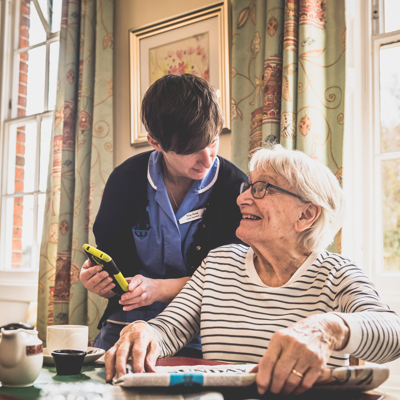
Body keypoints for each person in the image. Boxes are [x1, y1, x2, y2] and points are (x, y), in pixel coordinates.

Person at [103, 145, 400, 395]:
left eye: (262, 189)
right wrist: (143, 329)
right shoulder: (219, 263)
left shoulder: (337, 273)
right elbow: (167, 330)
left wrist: (329, 328)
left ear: (306, 214)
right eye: (248, 187)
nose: (241, 198)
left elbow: (393, 335)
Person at [79, 74, 248, 357]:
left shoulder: (235, 187)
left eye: (213, 142)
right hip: (126, 321)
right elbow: (113, 264)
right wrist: (101, 283)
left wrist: (159, 289)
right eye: (192, 150)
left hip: (201, 326)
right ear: (155, 142)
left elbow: (232, 275)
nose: (207, 159)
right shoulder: (125, 180)